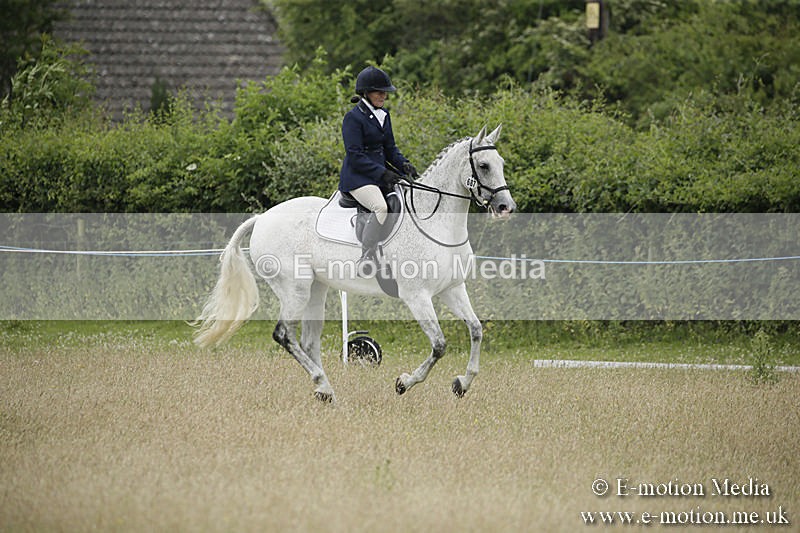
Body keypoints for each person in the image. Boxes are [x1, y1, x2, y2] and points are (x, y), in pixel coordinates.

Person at [339, 66, 418, 270]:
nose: (383, 95)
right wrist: (383, 173)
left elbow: (390, 148)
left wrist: (404, 165)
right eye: (378, 91)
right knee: (380, 207)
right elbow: (355, 155)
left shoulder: (384, 115)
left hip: (379, 175)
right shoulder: (353, 118)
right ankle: (366, 256)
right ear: (366, 93)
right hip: (358, 178)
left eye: (385, 92)